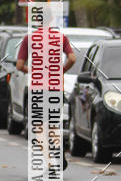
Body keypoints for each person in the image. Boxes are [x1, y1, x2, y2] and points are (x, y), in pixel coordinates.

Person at [16, 24, 76, 171]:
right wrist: (60, 71)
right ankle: (57, 148)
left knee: (39, 127)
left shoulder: (29, 39)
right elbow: (72, 58)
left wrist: (32, 71)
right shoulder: (61, 38)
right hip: (55, 89)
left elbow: (19, 65)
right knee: (53, 124)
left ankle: (50, 163)